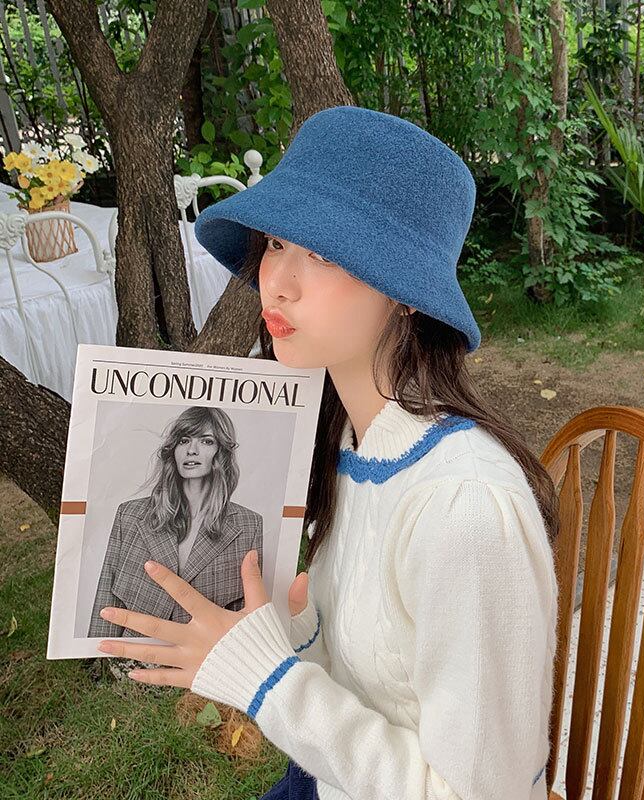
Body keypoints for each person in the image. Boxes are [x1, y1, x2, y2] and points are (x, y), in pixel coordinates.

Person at [97, 105, 560, 800]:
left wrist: (266, 678)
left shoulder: (465, 510)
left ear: (406, 295)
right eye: (277, 242)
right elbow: (370, 674)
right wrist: (281, 631)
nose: (277, 282)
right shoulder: (348, 444)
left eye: (324, 253)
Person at [88, 405, 263, 638]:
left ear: (221, 452)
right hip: (130, 655)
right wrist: (98, 656)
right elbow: (107, 600)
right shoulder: (129, 515)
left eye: (206, 441)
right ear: (173, 450)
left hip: (206, 656)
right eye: (184, 440)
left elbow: (246, 616)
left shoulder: (249, 524)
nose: (192, 450)